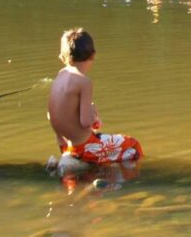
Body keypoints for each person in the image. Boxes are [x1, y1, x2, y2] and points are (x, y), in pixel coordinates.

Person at [47, 28, 142, 165]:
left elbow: (51, 114)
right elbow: (86, 122)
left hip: (64, 145)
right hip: (84, 147)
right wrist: (93, 112)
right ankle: (101, 172)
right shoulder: (84, 81)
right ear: (93, 55)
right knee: (133, 146)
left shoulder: (61, 74)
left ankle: (71, 171)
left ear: (62, 57)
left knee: (108, 144)